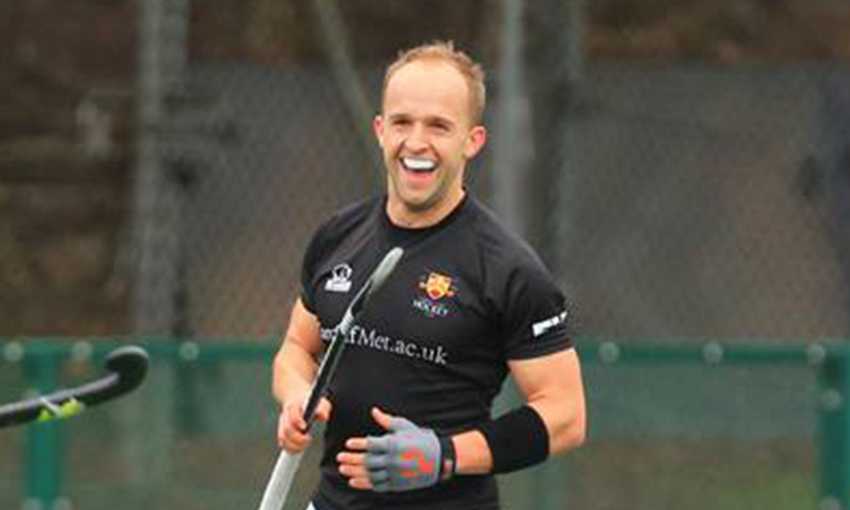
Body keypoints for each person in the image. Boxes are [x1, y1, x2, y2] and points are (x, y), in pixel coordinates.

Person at [273, 40, 586, 510]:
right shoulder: (337, 236)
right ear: (380, 130)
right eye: (402, 122)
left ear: (472, 141)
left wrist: (445, 455)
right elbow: (297, 348)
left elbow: (566, 415)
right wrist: (297, 396)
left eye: (439, 126)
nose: (416, 143)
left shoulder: (507, 269)